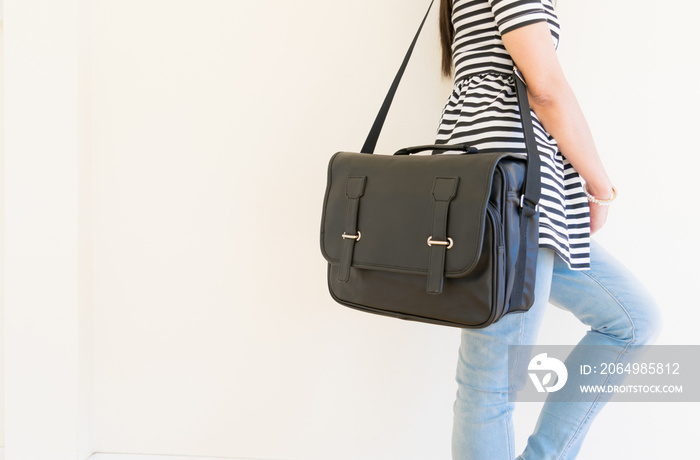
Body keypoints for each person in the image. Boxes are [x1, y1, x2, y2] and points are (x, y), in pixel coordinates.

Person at [434, 0, 663, 458]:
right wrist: (599, 185)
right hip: (512, 190)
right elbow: (546, 88)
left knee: (632, 320)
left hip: (505, 189)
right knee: (490, 381)